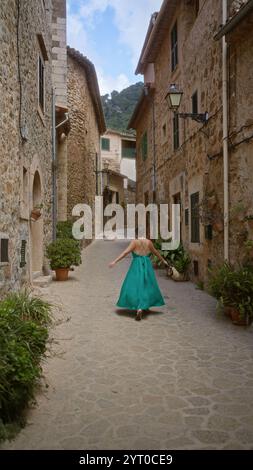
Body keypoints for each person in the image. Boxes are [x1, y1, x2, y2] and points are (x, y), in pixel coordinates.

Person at [109, 237, 169, 321]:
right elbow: (155, 252)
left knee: (135, 286)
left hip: (136, 266)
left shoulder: (134, 242)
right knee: (146, 285)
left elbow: (125, 252)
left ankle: (139, 308)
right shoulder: (149, 242)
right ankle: (144, 305)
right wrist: (163, 261)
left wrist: (115, 261)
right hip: (147, 266)